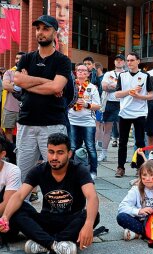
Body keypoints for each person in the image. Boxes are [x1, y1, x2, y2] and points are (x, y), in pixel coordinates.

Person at [0, 133, 100, 254]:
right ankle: (56, 245)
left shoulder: (79, 170)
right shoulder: (39, 170)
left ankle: (43, 243)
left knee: (93, 215)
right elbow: (19, 195)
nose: (54, 157)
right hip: (46, 221)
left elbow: (92, 197)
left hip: (70, 222)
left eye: (60, 153)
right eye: (51, 152)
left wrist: (88, 224)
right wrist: (5, 217)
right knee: (18, 210)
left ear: (69, 154)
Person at [13, 15, 71, 203]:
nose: (40, 32)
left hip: (53, 124)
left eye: (45, 29)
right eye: (38, 28)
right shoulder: (27, 58)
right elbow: (18, 81)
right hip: (27, 123)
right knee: (23, 176)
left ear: (55, 32)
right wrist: (48, 82)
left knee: (55, 174)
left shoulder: (62, 60)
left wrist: (30, 82)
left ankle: (53, 215)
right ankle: (22, 218)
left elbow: (57, 88)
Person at [114, 52, 153, 178]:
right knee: (122, 142)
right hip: (125, 112)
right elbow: (117, 94)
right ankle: (120, 167)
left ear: (138, 61)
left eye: (132, 60)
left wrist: (139, 96)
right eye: (128, 60)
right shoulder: (122, 75)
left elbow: (151, 95)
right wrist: (130, 91)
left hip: (139, 112)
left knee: (140, 141)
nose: (129, 62)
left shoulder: (145, 75)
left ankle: (140, 167)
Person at [68, 64, 101, 180]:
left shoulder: (92, 87)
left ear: (88, 74)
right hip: (72, 120)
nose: (81, 72)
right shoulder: (71, 86)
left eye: (84, 71)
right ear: (75, 72)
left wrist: (86, 105)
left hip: (88, 122)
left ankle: (93, 171)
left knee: (90, 147)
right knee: (72, 147)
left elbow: (98, 106)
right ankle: (71, 171)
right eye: (79, 70)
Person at [98, 54, 125, 162]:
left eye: (121, 60)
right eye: (117, 60)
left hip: (122, 104)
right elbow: (104, 87)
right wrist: (119, 87)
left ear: (124, 62)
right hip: (109, 103)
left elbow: (127, 88)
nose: (118, 62)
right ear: (114, 62)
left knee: (122, 130)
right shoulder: (108, 73)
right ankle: (103, 153)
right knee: (107, 130)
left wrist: (113, 86)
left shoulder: (127, 74)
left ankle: (121, 155)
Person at [0, 135, 21, 243]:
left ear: (2, 154)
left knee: (21, 212)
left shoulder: (12, 170)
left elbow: (7, 203)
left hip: (5, 214)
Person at [1, 52, 25, 143]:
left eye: (20, 58)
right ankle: (10, 153)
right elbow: (5, 86)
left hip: (24, 108)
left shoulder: (29, 72)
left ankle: (20, 152)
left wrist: (12, 85)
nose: (18, 60)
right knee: (8, 131)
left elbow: (31, 86)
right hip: (9, 108)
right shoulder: (9, 72)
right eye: (16, 58)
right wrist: (21, 86)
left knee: (23, 132)